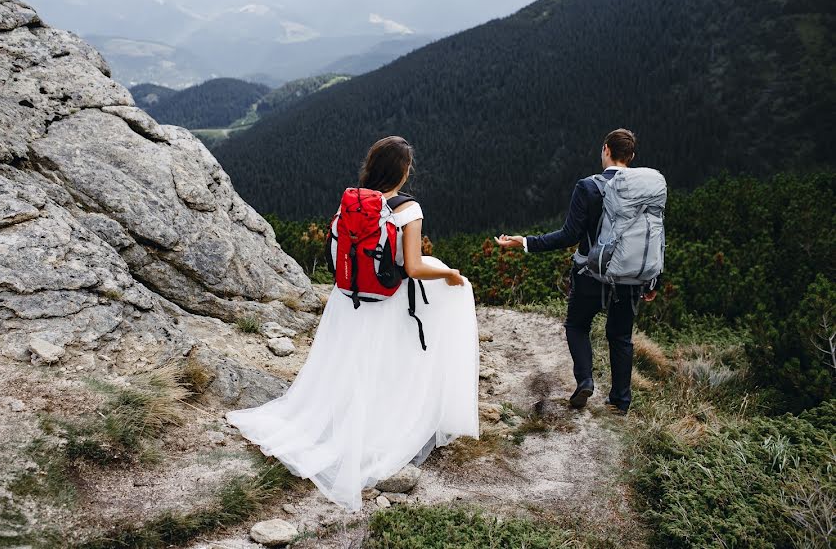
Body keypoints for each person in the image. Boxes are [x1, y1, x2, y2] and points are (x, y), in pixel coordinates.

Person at [226, 136, 480, 511]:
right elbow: (412, 266)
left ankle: (342, 420)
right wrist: (450, 274)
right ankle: (387, 425)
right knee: (397, 358)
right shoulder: (409, 209)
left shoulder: (354, 201)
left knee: (349, 363)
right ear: (403, 171)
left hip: (349, 299)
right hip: (387, 303)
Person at [496, 129, 658, 414]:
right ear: (630, 157)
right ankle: (620, 402)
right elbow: (655, 235)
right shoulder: (646, 190)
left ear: (606, 149)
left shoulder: (589, 187)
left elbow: (569, 235)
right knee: (620, 337)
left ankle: (585, 380)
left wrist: (524, 242)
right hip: (632, 277)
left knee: (577, 325)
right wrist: (653, 278)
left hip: (591, 275)